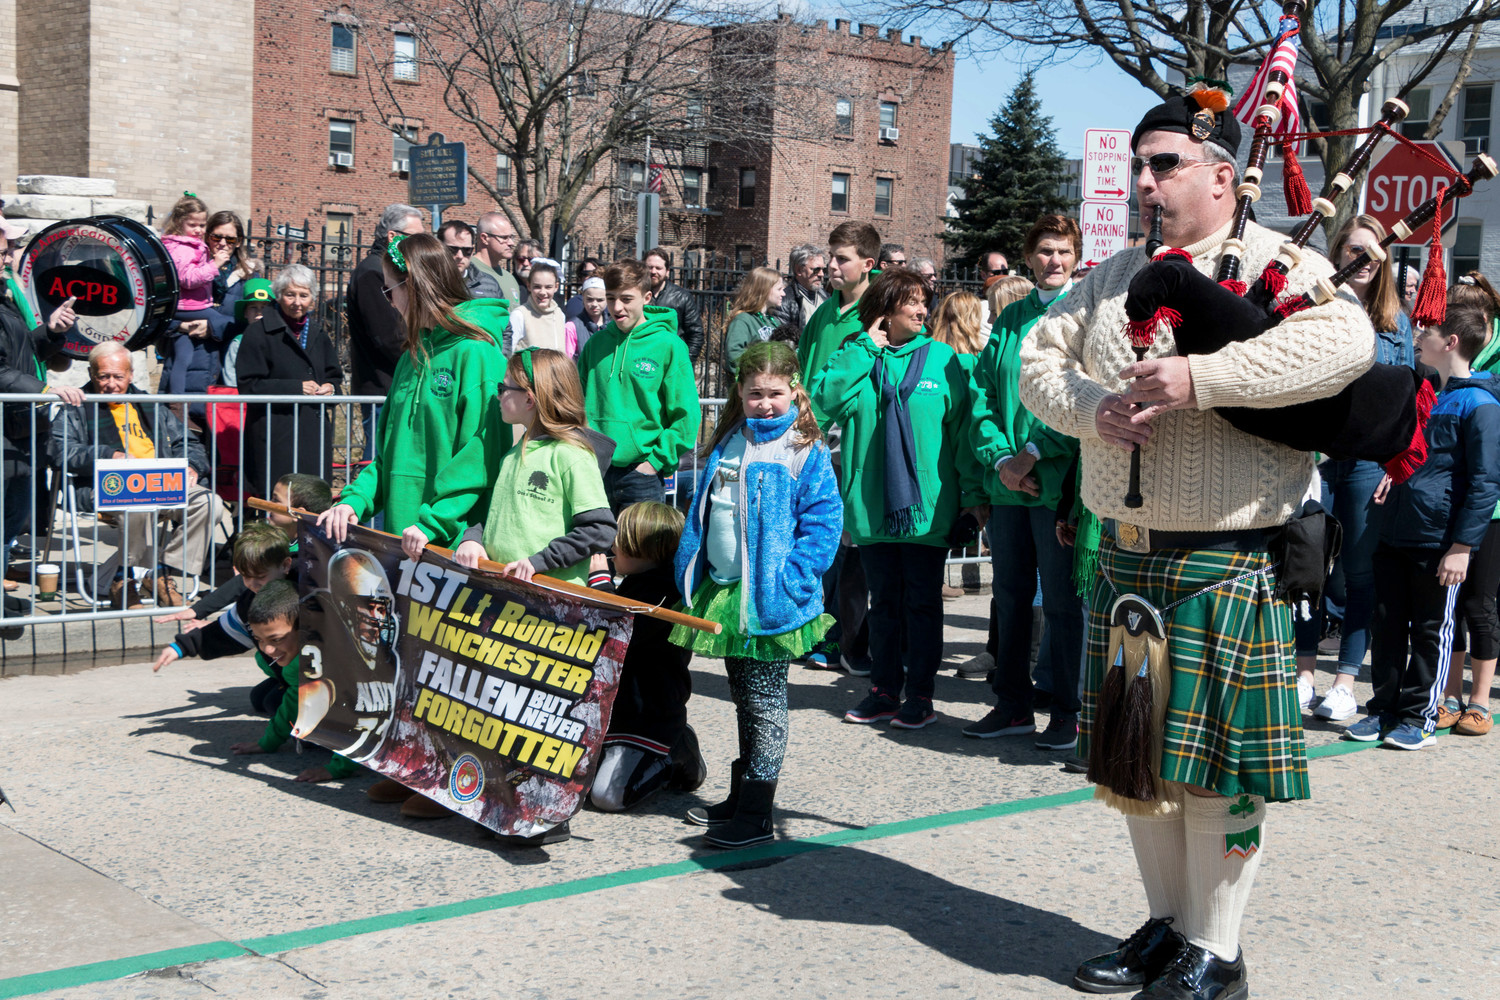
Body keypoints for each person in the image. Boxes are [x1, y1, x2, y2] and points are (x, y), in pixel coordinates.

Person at [1019, 94, 1371, 999]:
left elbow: (1347, 344)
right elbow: (1035, 361)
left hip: (1228, 553)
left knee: (1216, 770)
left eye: (1165, 164)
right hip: (1127, 552)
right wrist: (1090, 409)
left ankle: (1218, 950)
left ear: (1223, 174)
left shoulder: (1279, 264)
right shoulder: (1108, 275)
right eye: (1139, 167)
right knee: (1136, 759)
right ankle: (1171, 928)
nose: (1146, 182)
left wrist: (1201, 377)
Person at [674, 341, 842, 847]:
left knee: (766, 704)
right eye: (753, 394)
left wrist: (794, 578)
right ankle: (741, 794)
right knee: (744, 699)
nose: (763, 403)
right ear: (739, 394)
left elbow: (824, 522)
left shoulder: (804, 449)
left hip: (770, 599)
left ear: (794, 390)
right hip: (727, 594)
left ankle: (757, 813)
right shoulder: (730, 440)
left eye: (773, 393)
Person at [812, 268, 986, 730]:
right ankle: (884, 690)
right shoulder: (857, 356)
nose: (922, 309)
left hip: (929, 511)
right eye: (911, 302)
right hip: (871, 507)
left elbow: (963, 440)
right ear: (885, 310)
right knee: (884, 604)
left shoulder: (946, 361)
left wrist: (974, 501)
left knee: (922, 604)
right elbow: (822, 401)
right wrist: (865, 348)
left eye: (924, 301)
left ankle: (921, 696)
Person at [1345, 302, 1500, 751]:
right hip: (1395, 528)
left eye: (1427, 331)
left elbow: (1485, 482)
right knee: (1388, 623)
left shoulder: (1480, 403)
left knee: (1432, 628)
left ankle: (1419, 715)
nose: (1418, 336)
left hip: (1437, 538)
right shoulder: (1426, 390)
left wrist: (1462, 546)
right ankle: (1383, 709)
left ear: (1450, 343)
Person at [965, 215, 1086, 751]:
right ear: (1029, 256)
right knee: (1010, 598)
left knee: (1061, 602)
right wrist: (1000, 460)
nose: (1053, 260)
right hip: (1006, 486)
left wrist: (1033, 453)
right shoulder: (1011, 318)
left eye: (1062, 250)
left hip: (1057, 483)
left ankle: (1067, 711)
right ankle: (1012, 705)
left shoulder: (1086, 314)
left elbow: (1082, 396)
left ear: (1076, 256)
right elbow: (983, 398)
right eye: (1044, 250)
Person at [319, 231, 509, 568]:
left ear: (417, 287)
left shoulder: (478, 354)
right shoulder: (412, 355)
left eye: (389, 290)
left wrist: (434, 522)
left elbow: (480, 457)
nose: (388, 301)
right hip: (402, 542)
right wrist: (354, 501)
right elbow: (389, 455)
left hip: (451, 546)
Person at [1298, 214, 1416, 721]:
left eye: (1371, 252)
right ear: (1338, 255)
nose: (1362, 261)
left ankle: (1345, 680)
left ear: (1384, 261)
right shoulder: (1318, 310)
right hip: (1318, 459)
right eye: (1353, 251)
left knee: (1359, 574)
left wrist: (1396, 465)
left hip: (1368, 461)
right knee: (1306, 570)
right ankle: (1303, 674)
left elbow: (1411, 402)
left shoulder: (1397, 323)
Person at [50, 342, 227, 607]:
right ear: (91, 374)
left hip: (162, 483)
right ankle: (124, 580)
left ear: (130, 375)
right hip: (107, 486)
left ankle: (162, 573)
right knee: (139, 502)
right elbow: (59, 451)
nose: (111, 384)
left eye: (118, 377)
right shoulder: (76, 406)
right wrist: (109, 455)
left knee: (209, 503)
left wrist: (192, 466)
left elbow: (189, 443)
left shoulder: (150, 404)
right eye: (103, 376)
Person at [452, 347, 616, 585]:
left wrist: (539, 562)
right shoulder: (513, 454)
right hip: (507, 594)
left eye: (502, 388)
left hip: (550, 605)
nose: (497, 396)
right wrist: (473, 537)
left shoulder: (572, 455)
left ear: (529, 398)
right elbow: (495, 516)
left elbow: (599, 529)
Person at [796, 221, 881, 675]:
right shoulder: (823, 313)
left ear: (867, 265)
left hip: (855, 448)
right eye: (831, 256)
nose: (831, 265)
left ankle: (848, 643)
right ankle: (816, 636)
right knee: (820, 546)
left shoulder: (877, 312)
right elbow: (805, 373)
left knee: (852, 551)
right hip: (812, 443)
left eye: (841, 258)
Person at [589, 501, 705, 813]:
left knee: (608, 797)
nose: (613, 545)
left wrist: (600, 585)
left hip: (649, 718)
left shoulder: (666, 592)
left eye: (621, 540)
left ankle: (676, 751)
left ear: (646, 549)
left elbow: (622, 634)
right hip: (615, 714)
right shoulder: (637, 582)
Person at [0, 220, 84, 631]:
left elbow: (20, 351)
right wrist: (44, 387)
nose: (9, 255)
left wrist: (50, 332)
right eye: (3, 249)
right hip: (5, 425)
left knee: (11, 520)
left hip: (17, 426)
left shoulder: (4, 296)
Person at [577, 259, 700, 512]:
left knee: (638, 552)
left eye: (626, 299)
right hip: (593, 471)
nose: (616, 307)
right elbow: (575, 402)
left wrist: (654, 462)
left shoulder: (669, 345)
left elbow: (686, 416)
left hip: (642, 475)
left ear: (647, 297)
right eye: (610, 298)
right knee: (595, 551)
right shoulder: (595, 344)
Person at [1440, 272, 1500, 736]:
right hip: (1448, 503)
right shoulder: (1444, 370)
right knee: (1449, 605)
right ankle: (1448, 694)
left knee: (1480, 603)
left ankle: (1480, 700)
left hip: (1491, 507)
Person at [234, 264, 343, 497]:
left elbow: (335, 377)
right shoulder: (258, 332)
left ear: (313, 298)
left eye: (304, 295)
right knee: (274, 503)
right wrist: (295, 388)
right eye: (290, 294)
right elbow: (248, 385)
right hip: (274, 434)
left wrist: (330, 389)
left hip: (312, 434)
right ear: (279, 296)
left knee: (311, 504)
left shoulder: (318, 333)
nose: (297, 302)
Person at [151, 522, 292, 671]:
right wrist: (181, 647)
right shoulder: (249, 602)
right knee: (261, 695)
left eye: (260, 576)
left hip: (306, 672)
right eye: (245, 577)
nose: (252, 584)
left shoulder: (305, 592)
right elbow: (228, 630)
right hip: (284, 671)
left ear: (285, 565)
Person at [347, 204, 426, 462]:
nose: (420, 244)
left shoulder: (390, 269)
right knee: (380, 464)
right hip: (382, 389)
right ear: (393, 236)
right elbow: (389, 336)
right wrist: (422, 359)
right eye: (415, 238)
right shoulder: (373, 272)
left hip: (395, 385)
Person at [160, 195, 234, 396]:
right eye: (192, 225)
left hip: (185, 306)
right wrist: (214, 265)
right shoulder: (185, 248)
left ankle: (178, 399)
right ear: (179, 223)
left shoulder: (182, 245)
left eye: (202, 225)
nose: (199, 230)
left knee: (183, 355)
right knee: (226, 324)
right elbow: (188, 279)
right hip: (190, 307)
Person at [227, 580, 305, 759]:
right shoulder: (289, 663)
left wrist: (338, 769)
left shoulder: (308, 665)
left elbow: (357, 718)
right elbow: (291, 707)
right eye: (259, 640)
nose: (267, 650)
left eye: (276, 639)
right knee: (260, 698)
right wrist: (268, 743)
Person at [643, 248, 705, 360]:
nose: (653, 271)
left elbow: (696, 334)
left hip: (671, 360)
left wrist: (685, 362)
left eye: (658, 268)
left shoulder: (682, 297)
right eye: (649, 267)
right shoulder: (636, 296)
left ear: (667, 271)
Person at [507, 259, 578, 357]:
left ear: (556, 287)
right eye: (537, 287)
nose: (543, 292)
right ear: (529, 286)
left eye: (548, 287)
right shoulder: (520, 315)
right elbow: (508, 353)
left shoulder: (559, 314)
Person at [723, 266, 785, 368]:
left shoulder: (773, 321)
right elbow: (734, 354)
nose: (783, 293)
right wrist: (760, 370)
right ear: (764, 290)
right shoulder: (742, 320)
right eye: (779, 289)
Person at [219, 277, 272, 387]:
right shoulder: (238, 343)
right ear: (245, 313)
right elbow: (231, 376)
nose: (259, 313)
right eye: (253, 307)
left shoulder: (278, 340)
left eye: (263, 307)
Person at [770, 244, 828, 338]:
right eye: (816, 270)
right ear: (799, 270)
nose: (821, 274)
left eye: (823, 270)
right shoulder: (783, 301)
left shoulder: (827, 298)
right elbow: (783, 340)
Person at [437, 220, 504, 299]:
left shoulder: (490, 284)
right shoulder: (428, 282)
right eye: (453, 250)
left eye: (467, 250)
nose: (460, 256)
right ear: (439, 249)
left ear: (472, 251)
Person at [472, 213, 523, 303]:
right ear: (484, 238)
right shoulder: (468, 272)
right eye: (504, 238)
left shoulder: (510, 278)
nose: (511, 243)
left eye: (511, 237)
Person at [570, 276, 608, 351]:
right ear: (583, 298)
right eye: (590, 299)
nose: (594, 304)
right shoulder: (572, 327)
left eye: (600, 300)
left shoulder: (614, 325)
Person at [563, 257, 604, 321]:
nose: (592, 276)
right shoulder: (575, 303)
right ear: (580, 278)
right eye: (586, 274)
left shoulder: (612, 302)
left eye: (596, 273)